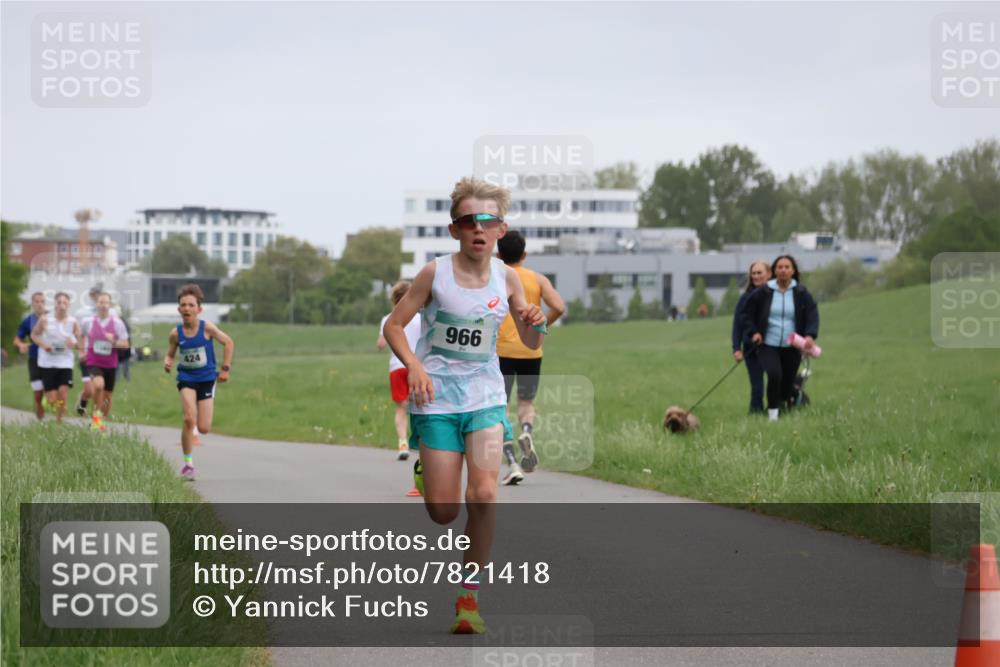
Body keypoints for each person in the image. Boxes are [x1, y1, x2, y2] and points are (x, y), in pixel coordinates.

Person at [383, 177, 546, 634]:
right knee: (443, 511)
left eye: (488, 221)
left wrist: (534, 320)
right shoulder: (434, 274)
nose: (479, 228)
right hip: (436, 399)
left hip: (486, 398)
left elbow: (530, 339)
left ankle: (468, 600)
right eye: (469, 221)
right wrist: (413, 364)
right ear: (455, 230)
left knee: (485, 495)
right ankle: (429, 469)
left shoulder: (507, 277)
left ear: (500, 229)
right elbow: (397, 326)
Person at [495, 229, 565, 485]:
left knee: (500, 408)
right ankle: (526, 432)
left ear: (498, 254)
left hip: (501, 351)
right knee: (526, 403)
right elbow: (559, 306)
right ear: (524, 254)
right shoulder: (537, 279)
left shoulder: (498, 277)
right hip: (531, 351)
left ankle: (511, 460)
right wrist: (541, 326)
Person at [164, 284, 235, 480]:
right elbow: (170, 354)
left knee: (204, 428)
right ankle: (188, 465)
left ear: (198, 309)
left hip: (206, 379)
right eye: (183, 305)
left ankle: (198, 411)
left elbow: (228, 342)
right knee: (189, 418)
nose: (186, 308)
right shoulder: (175, 334)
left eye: (191, 305)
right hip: (186, 379)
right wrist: (168, 361)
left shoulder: (207, 328)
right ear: (179, 309)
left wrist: (225, 369)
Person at [742, 255, 820, 422]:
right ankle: (772, 415)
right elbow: (747, 315)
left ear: (793, 271)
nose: (783, 270)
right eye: (780, 267)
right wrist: (754, 332)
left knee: (787, 381)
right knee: (774, 374)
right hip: (767, 343)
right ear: (774, 271)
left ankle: (786, 401)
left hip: (792, 345)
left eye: (787, 267)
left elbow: (812, 314)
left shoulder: (801, 292)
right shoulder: (763, 292)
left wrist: (810, 335)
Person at [377, 280, 424, 497]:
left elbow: (381, 343)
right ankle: (422, 447)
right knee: (420, 409)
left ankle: (403, 443)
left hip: (397, 367)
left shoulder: (388, 319)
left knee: (400, 409)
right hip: (418, 367)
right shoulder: (420, 318)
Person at [80, 292, 130, 431]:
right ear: (96, 304)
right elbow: (81, 335)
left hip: (110, 364)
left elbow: (125, 344)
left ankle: (101, 420)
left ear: (110, 305)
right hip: (93, 361)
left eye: (105, 302)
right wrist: (82, 351)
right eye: (100, 302)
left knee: (107, 396)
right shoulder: (88, 322)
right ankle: (96, 418)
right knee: (99, 385)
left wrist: (113, 341)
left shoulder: (117, 323)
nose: (102, 305)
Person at [31, 292, 81, 423]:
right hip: (47, 363)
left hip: (65, 363)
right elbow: (34, 335)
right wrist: (44, 345)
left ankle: (59, 423)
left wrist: (75, 343)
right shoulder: (45, 319)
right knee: (53, 399)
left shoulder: (73, 322)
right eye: (59, 303)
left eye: (65, 303)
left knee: (63, 393)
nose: (62, 306)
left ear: (69, 305)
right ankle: (48, 400)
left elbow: (80, 340)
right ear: (55, 304)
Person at [731, 260, 771, 415]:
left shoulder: (776, 295)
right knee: (757, 387)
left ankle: (776, 411)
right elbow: (737, 325)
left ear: (769, 274)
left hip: (772, 347)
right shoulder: (745, 298)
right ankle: (755, 415)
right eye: (753, 273)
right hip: (751, 350)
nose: (756, 276)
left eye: (759, 272)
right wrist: (736, 348)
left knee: (776, 381)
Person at [74, 284, 119, 416]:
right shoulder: (82, 314)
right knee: (92, 389)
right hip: (89, 357)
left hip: (107, 357)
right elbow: (78, 333)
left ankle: (99, 420)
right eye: (95, 294)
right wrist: (81, 351)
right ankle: (84, 403)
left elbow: (119, 332)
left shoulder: (113, 313)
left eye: (100, 294)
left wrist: (116, 342)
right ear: (91, 296)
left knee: (103, 391)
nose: (97, 297)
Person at [13, 292, 48, 420]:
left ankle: (50, 407)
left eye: (42, 301)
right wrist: (21, 345)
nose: (39, 304)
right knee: (38, 391)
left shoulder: (53, 318)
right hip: (34, 358)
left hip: (51, 359)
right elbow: (17, 339)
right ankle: (40, 411)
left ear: (45, 303)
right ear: (32, 304)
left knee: (51, 390)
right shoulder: (28, 321)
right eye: (37, 301)